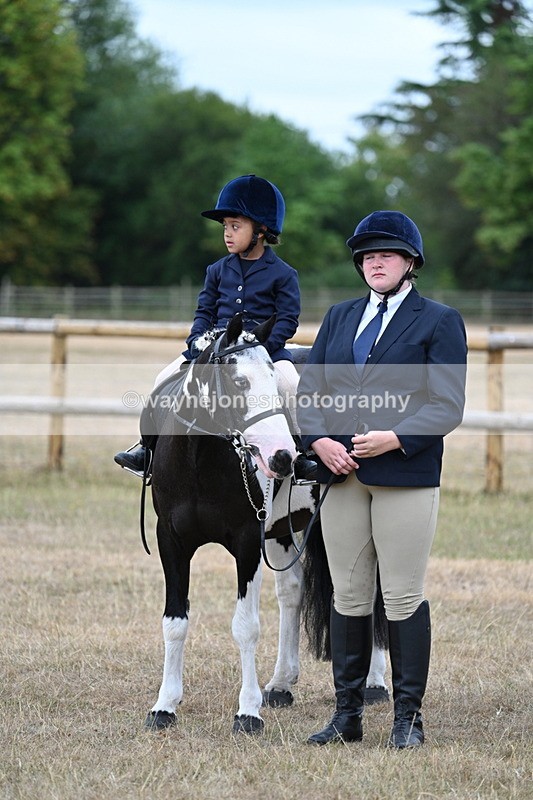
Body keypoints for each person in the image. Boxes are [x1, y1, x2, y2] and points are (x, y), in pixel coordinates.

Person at [296, 210, 467, 749]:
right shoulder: (340, 317)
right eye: (368, 255)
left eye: (386, 254)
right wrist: (319, 441)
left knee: (401, 596)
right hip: (342, 477)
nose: (375, 262)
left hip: (405, 476)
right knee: (346, 595)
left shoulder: (439, 320)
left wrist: (394, 437)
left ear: (410, 262)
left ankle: (407, 719)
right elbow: (309, 396)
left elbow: (448, 404)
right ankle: (347, 716)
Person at [114, 174, 316, 480]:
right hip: (216, 350)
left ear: (261, 230)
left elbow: (288, 319)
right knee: (164, 377)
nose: (228, 234)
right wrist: (197, 341)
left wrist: (262, 348)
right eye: (225, 227)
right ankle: (148, 449)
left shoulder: (284, 274)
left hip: (264, 353)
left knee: (290, 384)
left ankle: (303, 456)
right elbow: (204, 311)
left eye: (236, 226)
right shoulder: (217, 269)